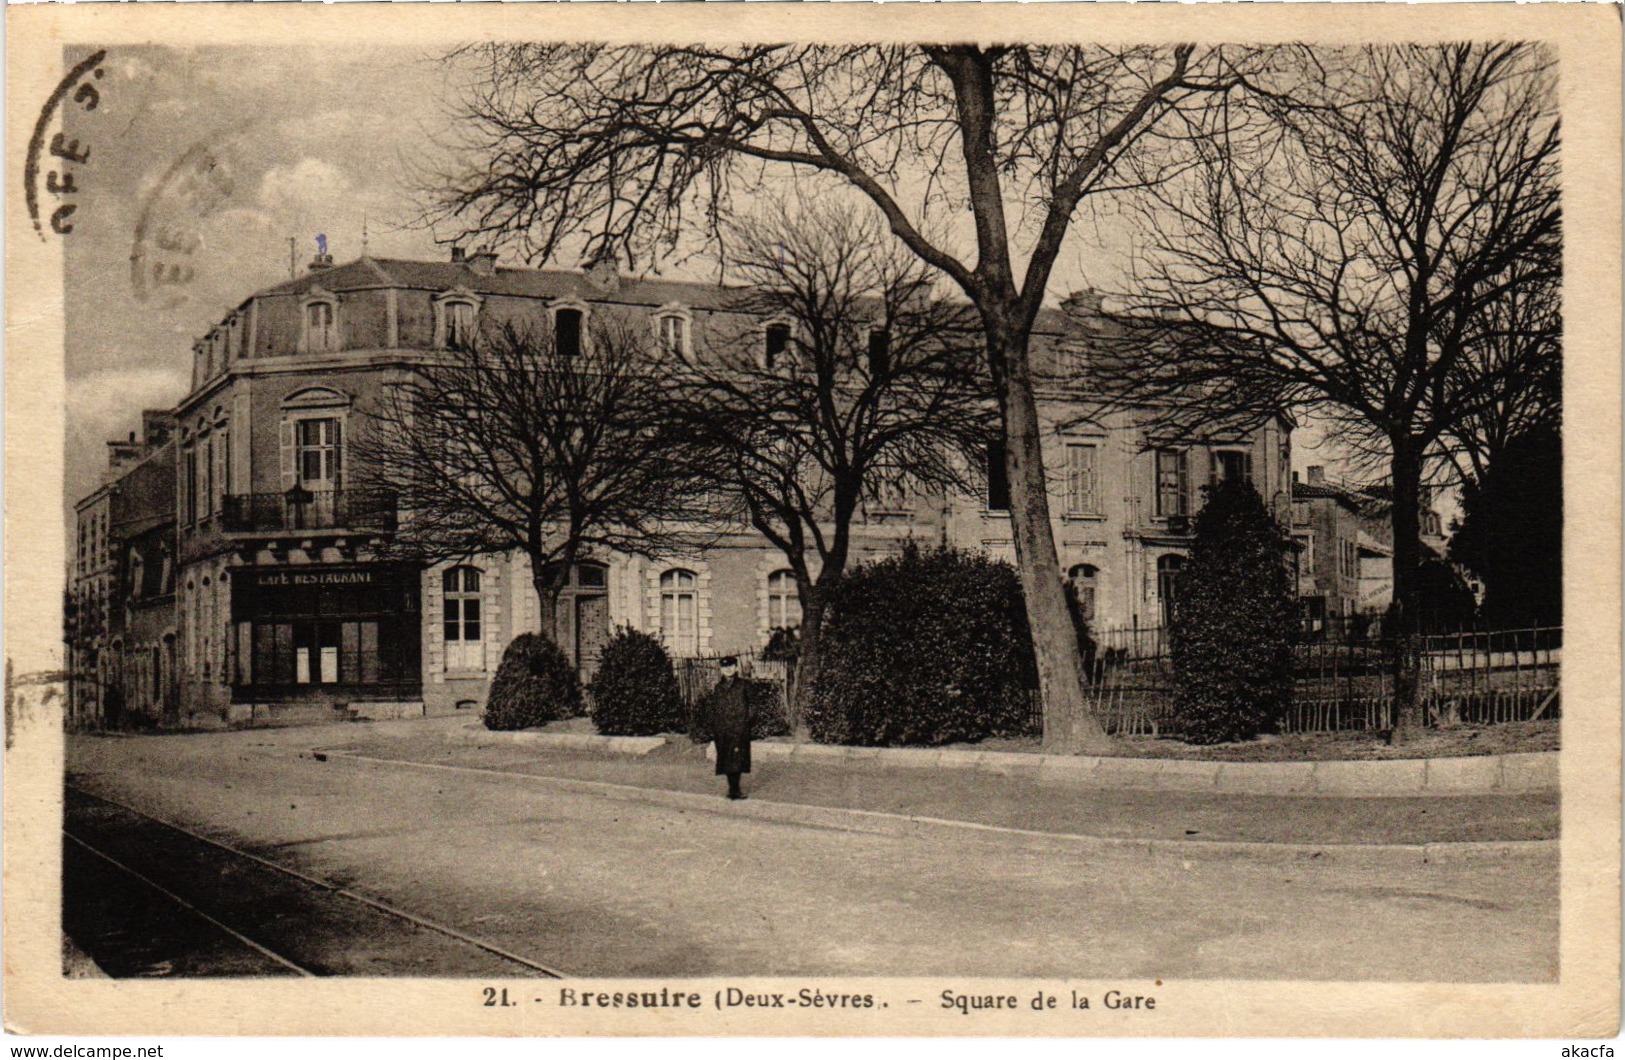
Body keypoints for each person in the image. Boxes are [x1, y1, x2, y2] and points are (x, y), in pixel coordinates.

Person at [705, 656, 752, 800]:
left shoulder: (744, 685)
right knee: (726, 758)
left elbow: (753, 705)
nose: (728, 669)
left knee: (737, 759)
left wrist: (746, 723)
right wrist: (715, 725)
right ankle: (732, 789)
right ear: (721, 669)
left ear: (736, 668)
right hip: (723, 729)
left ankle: (735, 789)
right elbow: (715, 708)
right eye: (725, 667)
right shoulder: (718, 688)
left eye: (731, 666)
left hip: (739, 728)